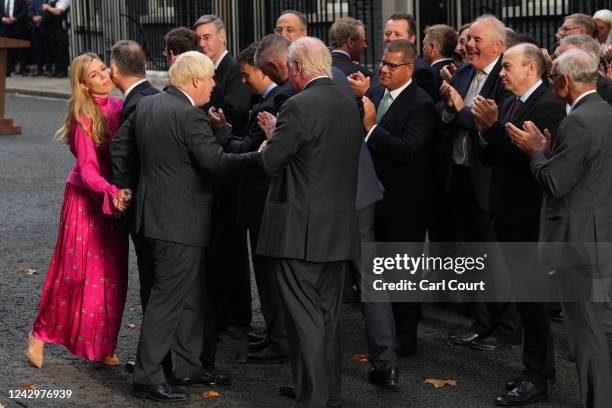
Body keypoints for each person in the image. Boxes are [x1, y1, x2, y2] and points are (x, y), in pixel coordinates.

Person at [111, 51, 256, 401]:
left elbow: (119, 148)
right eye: (210, 78)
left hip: (153, 218)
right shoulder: (190, 116)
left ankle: (189, 368)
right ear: (194, 81)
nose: (214, 85)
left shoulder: (147, 105)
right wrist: (262, 156)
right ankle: (147, 376)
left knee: (190, 297)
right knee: (169, 299)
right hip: (180, 222)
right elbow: (217, 163)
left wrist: (128, 186)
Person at [256, 36, 362, 408]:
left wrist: (271, 138)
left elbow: (271, 164)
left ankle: (314, 395)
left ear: (298, 68)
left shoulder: (298, 107)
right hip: (339, 230)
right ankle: (322, 389)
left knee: (304, 320)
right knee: (327, 317)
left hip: (299, 233)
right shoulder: (349, 103)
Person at [508, 47, 612, 408]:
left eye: (553, 78)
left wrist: (536, 151)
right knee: (593, 328)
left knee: (586, 334)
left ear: (565, 82)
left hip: (580, 241)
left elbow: (555, 183)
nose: (552, 84)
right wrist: (553, 153)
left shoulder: (578, 121)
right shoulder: (606, 112)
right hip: (599, 235)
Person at [472, 43, 566, 406]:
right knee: (528, 301)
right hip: (508, 213)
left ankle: (536, 377)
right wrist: (485, 129)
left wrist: (494, 128)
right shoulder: (512, 102)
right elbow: (493, 156)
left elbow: (534, 163)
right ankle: (539, 368)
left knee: (532, 301)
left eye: (508, 66)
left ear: (530, 68)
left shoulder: (548, 106)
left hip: (529, 217)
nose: (501, 73)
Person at [25, 53, 131, 369]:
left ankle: (103, 344)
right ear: (84, 86)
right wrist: (112, 191)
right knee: (72, 274)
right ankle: (39, 333)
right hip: (86, 200)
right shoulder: (82, 116)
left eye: (103, 69)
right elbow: (87, 171)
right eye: (96, 75)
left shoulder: (120, 106)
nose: (104, 76)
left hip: (113, 200)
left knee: (113, 275)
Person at [439, 15, 521, 351]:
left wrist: (460, 112)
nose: (468, 45)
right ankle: (482, 321)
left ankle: (506, 328)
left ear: (498, 46)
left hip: (488, 181)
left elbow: (495, 124)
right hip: (459, 176)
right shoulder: (463, 72)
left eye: (477, 40)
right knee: (474, 256)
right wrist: (449, 109)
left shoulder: (504, 78)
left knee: (496, 259)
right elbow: (443, 110)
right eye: (468, 38)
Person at [363, 39, 437, 359]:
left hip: (405, 204)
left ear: (408, 69)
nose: (383, 69)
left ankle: (405, 341)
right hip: (375, 199)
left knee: (403, 276)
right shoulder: (376, 93)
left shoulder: (421, 104)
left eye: (391, 66)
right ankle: (385, 335)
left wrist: (371, 129)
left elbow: (408, 150)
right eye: (382, 62)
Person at [194, 14, 253, 335]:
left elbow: (236, 111)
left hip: (232, 160)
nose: (202, 44)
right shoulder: (205, 69)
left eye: (206, 38)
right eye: (198, 39)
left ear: (222, 38)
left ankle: (237, 314)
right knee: (218, 243)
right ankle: (225, 312)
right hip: (214, 163)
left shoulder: (231, 70)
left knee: (231, 243)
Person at [554, 34, 612, 105]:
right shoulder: (555, 92)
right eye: (556, 57)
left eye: (565, 57)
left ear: (587, 59)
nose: (556, 61)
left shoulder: (609, 92)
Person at [422, 24, 458, 101]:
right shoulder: (462, 71)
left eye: (424, 44)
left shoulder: (426, 75)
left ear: (432, 47)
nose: (422, 49)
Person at [41, 0, 69, 78]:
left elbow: (58, 11)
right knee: (54, 50)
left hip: (61, 28)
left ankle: (63, 71)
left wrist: (48, 8)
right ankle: (56, 70)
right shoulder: (51, 1)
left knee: (62, 49)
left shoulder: (64, 1)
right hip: (52, 28)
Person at [1, 0, 28, 76]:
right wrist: (3, 19)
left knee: (21, 50)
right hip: (4, 28)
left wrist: (15, 18)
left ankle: (23, 69)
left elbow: (24, 12)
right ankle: (8, 70)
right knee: (7, 51)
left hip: (18, 27)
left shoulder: (20, 1)